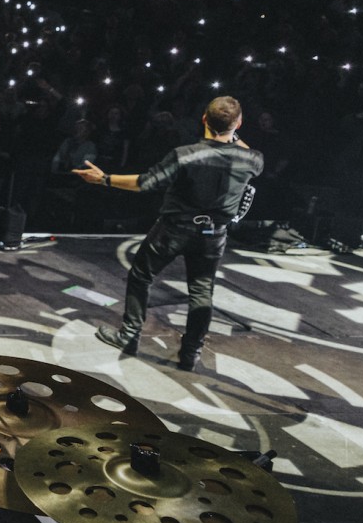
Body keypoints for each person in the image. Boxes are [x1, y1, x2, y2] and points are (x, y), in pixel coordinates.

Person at [76, 95, 263, 370]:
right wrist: (233, 132)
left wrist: (103, 179)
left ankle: (129, 336)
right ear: (239, 124)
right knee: (202, 290)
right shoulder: (253, 159)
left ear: (203, 120)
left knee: (141, 275)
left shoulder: (186, 154)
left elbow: (145, 182)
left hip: (175, 230)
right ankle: (191, 352)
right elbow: (242, 149)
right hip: (214, 235)